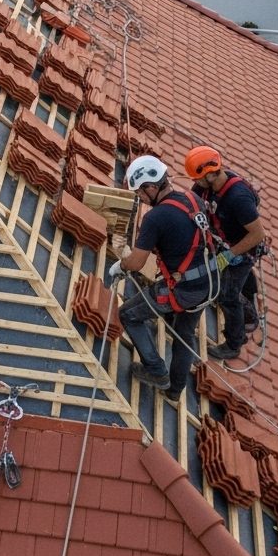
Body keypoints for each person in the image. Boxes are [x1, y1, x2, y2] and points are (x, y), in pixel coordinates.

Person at [112, 155, 218, 399]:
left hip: (184, 289)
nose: (140, 199)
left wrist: (121, 264)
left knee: (128, 314)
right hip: (208, 282)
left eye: (140, 193)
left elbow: (137, 262)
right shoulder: (191, 198)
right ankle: (174, 390)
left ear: (151, 187)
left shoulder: (155, 218)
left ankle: (157, 371)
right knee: (185, 333)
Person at [185, 146, 266, 361]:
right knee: (239, 284)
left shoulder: (238, 197)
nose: (197, 182)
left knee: (227, 295)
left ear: (210, 174)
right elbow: (192, 206)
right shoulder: (204, 188)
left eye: (200, 178)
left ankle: (234, 342)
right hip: (224, 242)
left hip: (242, 250)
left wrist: (228, 256)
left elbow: (257, 234)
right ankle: (249, 308)